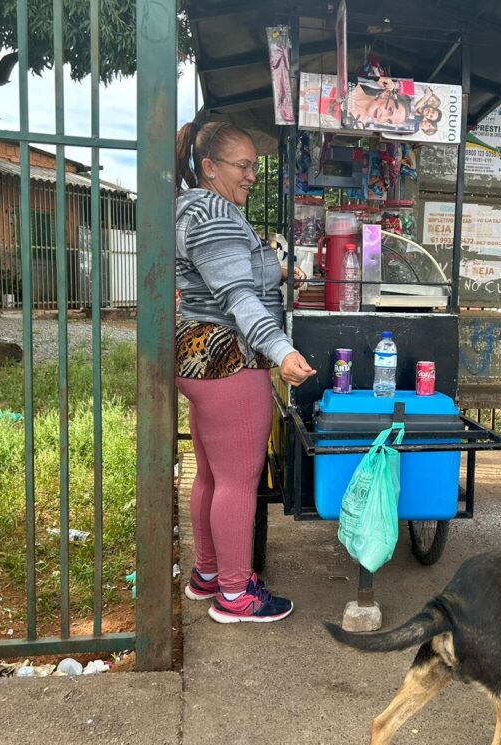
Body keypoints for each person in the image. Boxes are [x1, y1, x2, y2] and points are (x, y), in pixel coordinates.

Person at [174, 120, 316, 621]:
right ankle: (235, 594)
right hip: (229, 358)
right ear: (209, 167)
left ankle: (208, 574)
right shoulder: (215, 215)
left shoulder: (198, 208)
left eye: (255, 165)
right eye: (244, 165)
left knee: (212, 475)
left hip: (198, 356)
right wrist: (281, 351)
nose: (253, 175)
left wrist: (272, 267)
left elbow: (223, 273)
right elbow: (236, 297)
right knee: (238, 479)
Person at [346, 77, 413, 130]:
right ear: (386, 95)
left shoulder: (357, 129)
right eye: (390, 110)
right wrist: (377, 78)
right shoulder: (351, 81)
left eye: (388, 121)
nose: (382, 117)